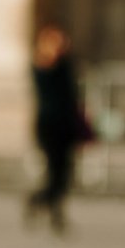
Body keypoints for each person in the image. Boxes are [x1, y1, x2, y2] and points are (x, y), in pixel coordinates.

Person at [25, 24, 82, 234]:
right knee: (53, 174)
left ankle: (55, 213)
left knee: (65, 174)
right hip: (49, 126)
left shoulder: (66, 65)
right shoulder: (43, 66)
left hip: (67, 127)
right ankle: (37, 201)